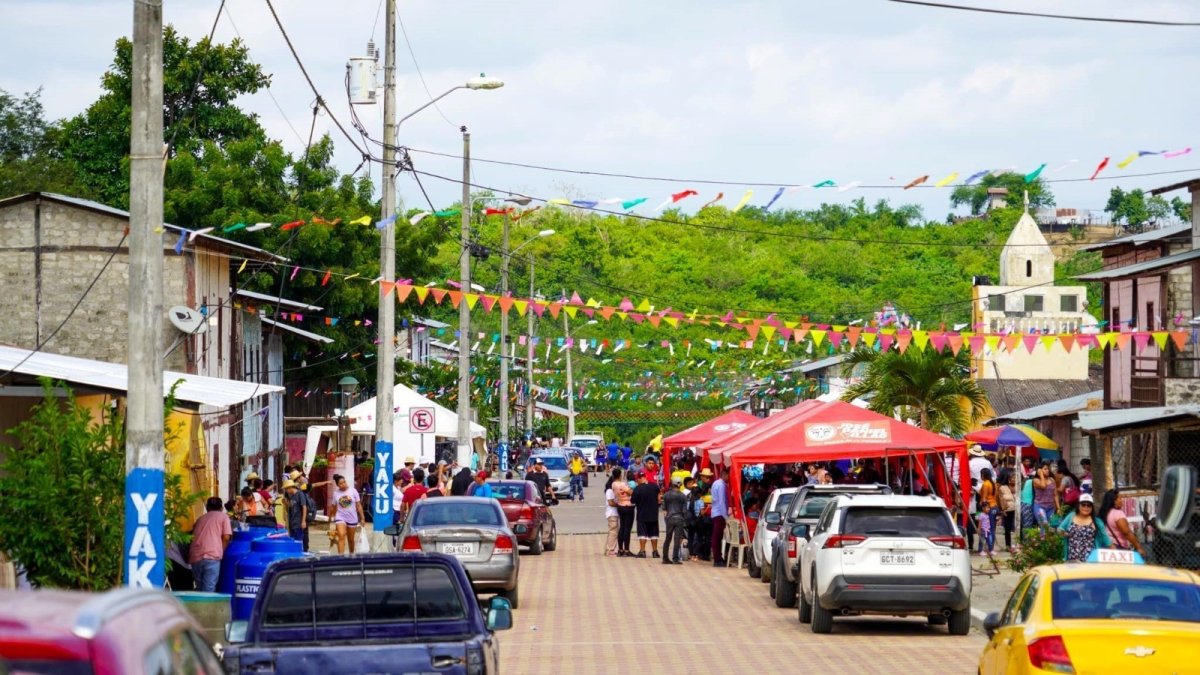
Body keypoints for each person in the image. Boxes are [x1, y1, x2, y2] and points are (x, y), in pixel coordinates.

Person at [189, 497, 231, 592]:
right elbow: (226, 537)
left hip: (195, 555)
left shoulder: (200, 518)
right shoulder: (224, 517)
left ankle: (198, 607)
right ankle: (206, 607)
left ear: (207, 508)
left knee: (199, 588)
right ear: (221, 508)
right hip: (212, 555)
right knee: (209, 589)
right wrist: (221, 551)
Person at [1057, 493, 1111, 562]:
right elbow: (1060, 529)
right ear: (1078, 505)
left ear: (1092, 507)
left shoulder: (1097, 521)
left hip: (1090, 561)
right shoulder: (1071, 516)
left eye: (1089, 505)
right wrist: (1064, 533)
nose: (1086, 507)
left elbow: (1106, 540)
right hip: (1072, 560)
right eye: (1083, 505)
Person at [1098, 488, 1147, 556]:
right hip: (1118, 549)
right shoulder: (1118, 514)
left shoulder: (1103, 514)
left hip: (1105, 548)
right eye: (1120, 498)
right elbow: (1127, 533)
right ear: (1114, 501)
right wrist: (1138, 547)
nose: (1122, 501)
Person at [330, 474, 364, 554]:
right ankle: (341, 558)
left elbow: (358, 505)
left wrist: (362, 518)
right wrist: (330, 518)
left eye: (344, 482)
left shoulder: (353, 491)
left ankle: (351, 556)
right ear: (338, 485)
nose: (343, 484)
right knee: (341, 535)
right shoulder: (336, 493)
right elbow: (333, 507)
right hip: (340, 517)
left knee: (351, 540)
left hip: (352, 518)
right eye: (340, 483)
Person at [631, 471, 661, 558]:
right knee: (654, 533)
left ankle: (642, 551)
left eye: (637, 480)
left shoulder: (637, 489)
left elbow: (632, 501)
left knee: (642, 534)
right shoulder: (655, 486)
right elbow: (659, 498)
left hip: (642, 515)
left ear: (640, 479)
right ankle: (655, 552)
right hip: (653, 514)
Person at [661, 476, 688, 565]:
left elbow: (664, 509)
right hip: (679, 518)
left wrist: (666, 519)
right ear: (680, 484)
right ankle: (675, 558)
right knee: (677, 539)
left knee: (667, 538)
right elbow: (684, 511)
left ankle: (665, 558)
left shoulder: (666, 495)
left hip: (669, 518)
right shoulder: (683, 496)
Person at [282, 479, 310, 551]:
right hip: (293, 522)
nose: (286, 491)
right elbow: (292, 506)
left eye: (286, 489)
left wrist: (303, 521)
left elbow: (304, 507)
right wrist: (286, 503)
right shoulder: (292, 496)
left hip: (298, 522)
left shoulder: (300, 494)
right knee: (293, 540)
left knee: (298, 541)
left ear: (290, 488)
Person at [710, 467, 729, 567]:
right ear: (724, 474)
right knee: (717, 537)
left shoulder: (716, 483)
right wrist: (725, 516)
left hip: (715, 512)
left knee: (717, 536)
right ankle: (717, 558)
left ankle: (718, 557)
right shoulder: (721, 485)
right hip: (719, 514)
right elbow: (721, 501)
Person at [977, 468, 998, 555]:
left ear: (983, 475)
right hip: (994, 506)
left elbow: (984, 498)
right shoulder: (993, 483)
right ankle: (991, 548)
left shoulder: (985, 484)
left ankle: (983, 549)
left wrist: (982, 507)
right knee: (992, 529)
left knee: (985, 529)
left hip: (987, 507)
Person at [1032, 461, 1058, 529]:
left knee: (1053, 526)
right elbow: (1043, 486)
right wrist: (1041, 475)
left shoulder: (1052, 480)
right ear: (1039, 470)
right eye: (1045, 469)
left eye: (1048, 469)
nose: (1048, 470)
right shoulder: (1036, 480)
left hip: (1051, 507)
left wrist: (1058, 508)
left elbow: (1055, 495)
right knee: (1044, 525)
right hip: (1040, 506)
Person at [998, 468, 1017, 553]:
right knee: (1008, 528)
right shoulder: (1002, 487)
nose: (1014, 478)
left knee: (1016, 527)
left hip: (1016, 509)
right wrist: (1002, 510)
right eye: (1012, 477)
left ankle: (1017, 544)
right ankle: (1008, 545)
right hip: (1007, 510)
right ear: (1008, 478)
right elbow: (1001, 499)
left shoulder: (1017, 486)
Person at [604, 469, 621, 557]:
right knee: (613, 532)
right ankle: (610, 550)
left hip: (614, 513)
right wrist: (620, 504)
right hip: (612, 513)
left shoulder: (612, 490)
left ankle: (609, 549)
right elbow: (611, 503)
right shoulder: (609, 491)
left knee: (613, 531)